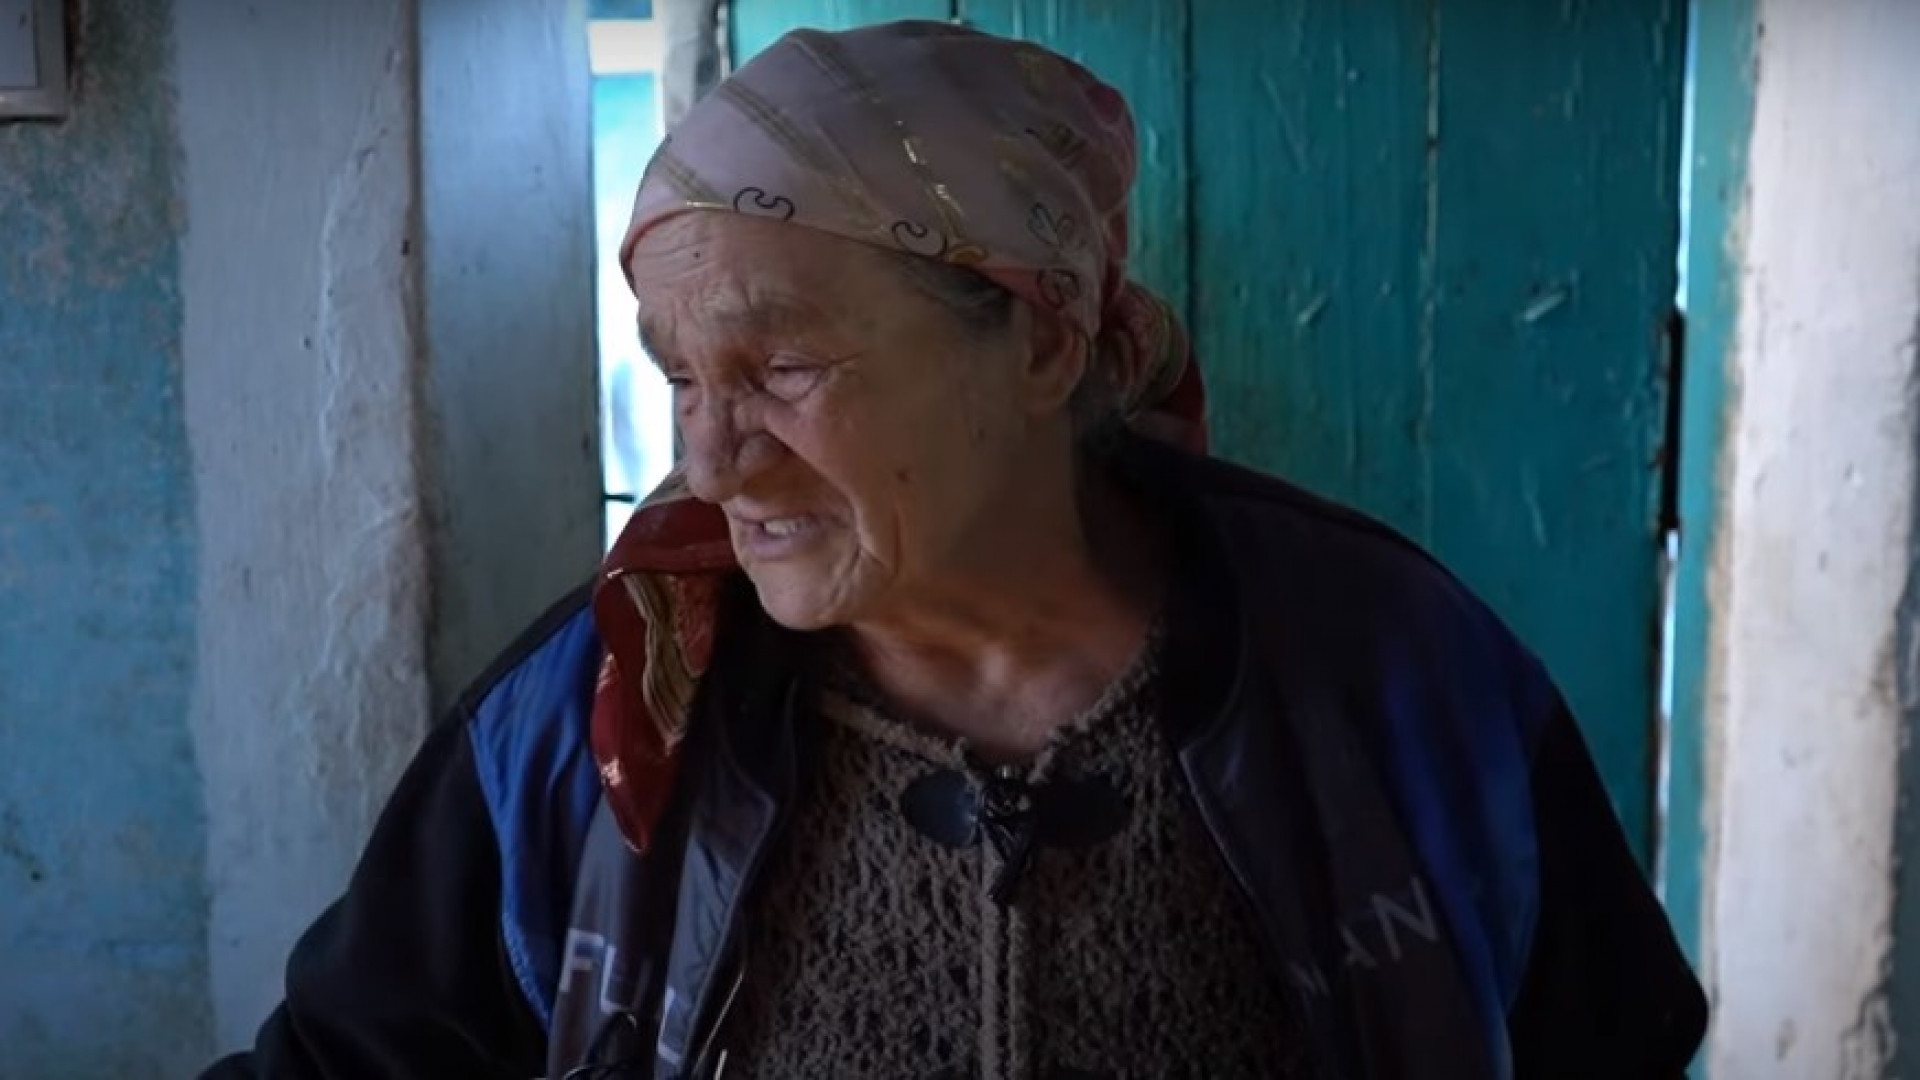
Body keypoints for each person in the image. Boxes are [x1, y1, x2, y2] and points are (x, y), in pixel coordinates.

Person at [203, 21, 1706, 1080]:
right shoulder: (589, 719)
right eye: (679, 378)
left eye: (784, 367)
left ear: (1043, 342)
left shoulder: (1398, 677)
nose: (711, 463)